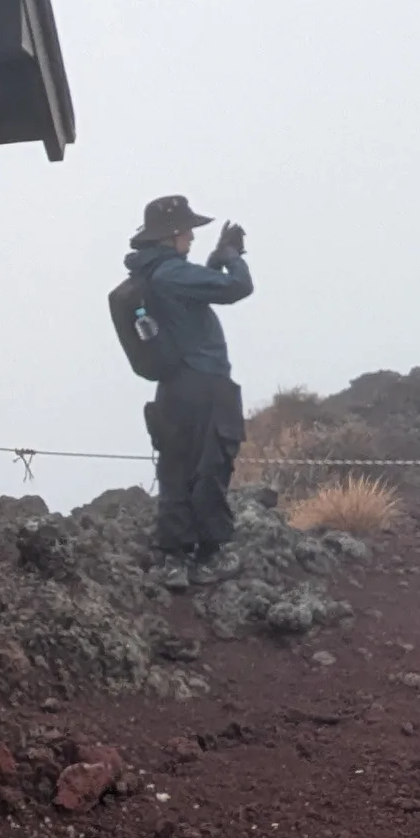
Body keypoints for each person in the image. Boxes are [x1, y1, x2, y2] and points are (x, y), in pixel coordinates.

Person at [123, 194, 252, 589]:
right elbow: (239, 287)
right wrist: (232, 257)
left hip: (174, 389)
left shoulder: (155, 273)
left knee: (175, 469)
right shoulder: (173, 273)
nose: (193, 238)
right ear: (173, 234)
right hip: (206, 384)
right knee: (211, 466)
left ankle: (174, 558)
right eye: (189, 231)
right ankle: (211, 556)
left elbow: (195, 294)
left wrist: (213, 260)